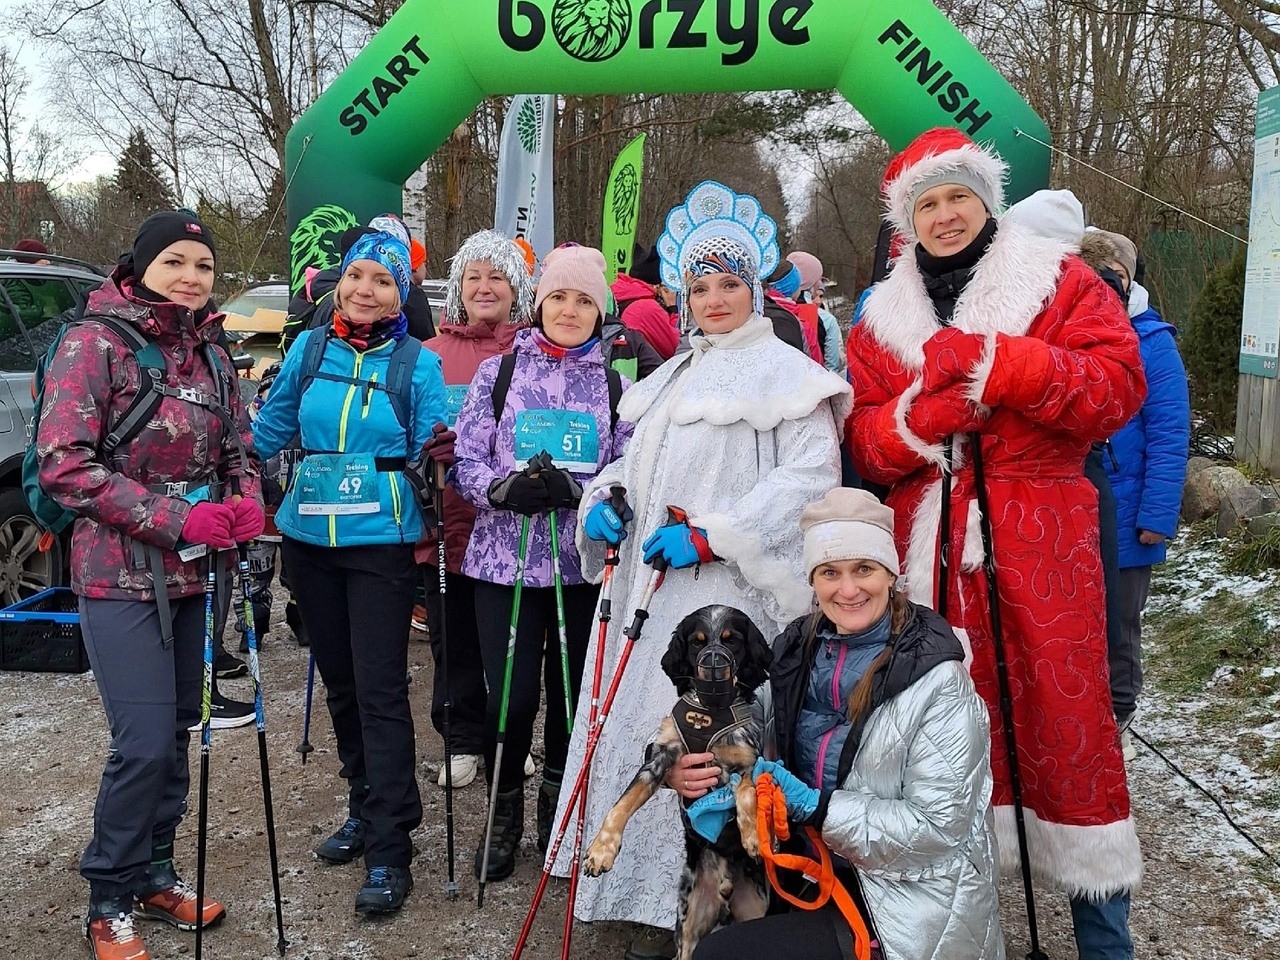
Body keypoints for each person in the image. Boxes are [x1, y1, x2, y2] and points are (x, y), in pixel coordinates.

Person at [846, 127, 1147, 960]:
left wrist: (1002, 366)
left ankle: (1102, 939)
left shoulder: (1062, 281)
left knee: (1068, 735)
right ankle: (950, 940)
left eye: (958, 196)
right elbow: (864, 445)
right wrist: (919, 424)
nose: (945, 216)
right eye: (927, 203)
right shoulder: (878, 319)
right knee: (938, 744)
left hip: (1043, 544)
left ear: (987, 199)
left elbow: (1118, 390)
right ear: (907, 220)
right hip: (930, 557)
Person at [550, 181, 850, 960]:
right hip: (648, 596)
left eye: (729, 284)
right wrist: (604, 501)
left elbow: (810, 480)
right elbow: (627, 463)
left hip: (728, 605)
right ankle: (645, 896)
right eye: (700, 286)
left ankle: (730, 902)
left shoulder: (789, 375)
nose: (714, 299)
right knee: (655, 742)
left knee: (723, 749)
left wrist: (717, 534)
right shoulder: (669, 376)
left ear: (756, 289)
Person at [36, 210, 263, 960]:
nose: (191, 277)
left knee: (175, 736)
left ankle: (155, 873)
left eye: (202, 264)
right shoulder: (93, 344)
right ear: (140, 266)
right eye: (175, 262)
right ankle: (108, 895)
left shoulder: (213, 351)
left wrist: (248, 496)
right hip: (120, 578)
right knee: (139, 743)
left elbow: (239, 445)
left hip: (199, 575)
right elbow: (64, 464)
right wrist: (175, 520)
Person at [668, 488, 1002, 960]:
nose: (848, 590)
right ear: (814, 580)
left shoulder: (938, 680)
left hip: (908, 902)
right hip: (813, 871)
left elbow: (937, 829)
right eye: (830, 573)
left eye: (863, 569)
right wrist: (683, 769)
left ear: (890, 572)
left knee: (723, 956)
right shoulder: (798, 649)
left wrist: (816, 807)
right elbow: (742, 721)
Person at [252, 229, 448, 915]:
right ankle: (366, 808)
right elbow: (269, 432)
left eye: (383, 281)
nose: (365, 289)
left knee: (380, 692)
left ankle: (393, 847)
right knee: (340, 688)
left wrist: (448, 453)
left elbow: (438, 442)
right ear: (342, 280)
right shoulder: (309, 349)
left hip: (379, 547)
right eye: (357, 275)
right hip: (309, 540)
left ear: (402, 294)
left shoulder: (416, 363)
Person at [452, 244, 634, 879]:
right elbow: (465, 461)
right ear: (538, 302)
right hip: (505, 562)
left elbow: (630, 468)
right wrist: (501, 490)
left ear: (600, 311)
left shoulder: (618, 384)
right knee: (510, 696)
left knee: (570, 696)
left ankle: (560, 816)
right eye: (558, 296)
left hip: (580, 567)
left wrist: (591, 494)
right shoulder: (498, 375)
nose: (569, 309)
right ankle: (502, 817)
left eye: (584, 299)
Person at [418, 229, 536, 792]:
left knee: (510, 642)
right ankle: (462, 739)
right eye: (474, 277)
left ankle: (506, 739)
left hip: (512, 529)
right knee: (454, 637)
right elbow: (406, 426)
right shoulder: (431, 354)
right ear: (457, 288)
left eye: (497, 276)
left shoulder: (532, 353)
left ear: (518, 288)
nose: (485, 287)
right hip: (445, 521)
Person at [1083, 228, 1190, 756]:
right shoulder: (1074, 330)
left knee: (1120, 622)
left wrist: (1158, 516)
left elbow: (1170, 433)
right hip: (1079, 510)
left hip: (1129, 514)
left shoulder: (1152, 341)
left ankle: (1119, 711)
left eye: (1113, 277)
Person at [785, 251, 846, 377]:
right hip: (815, 388)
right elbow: (832, 367)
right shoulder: (826, 319)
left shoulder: (765, 309)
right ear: (813, 282)